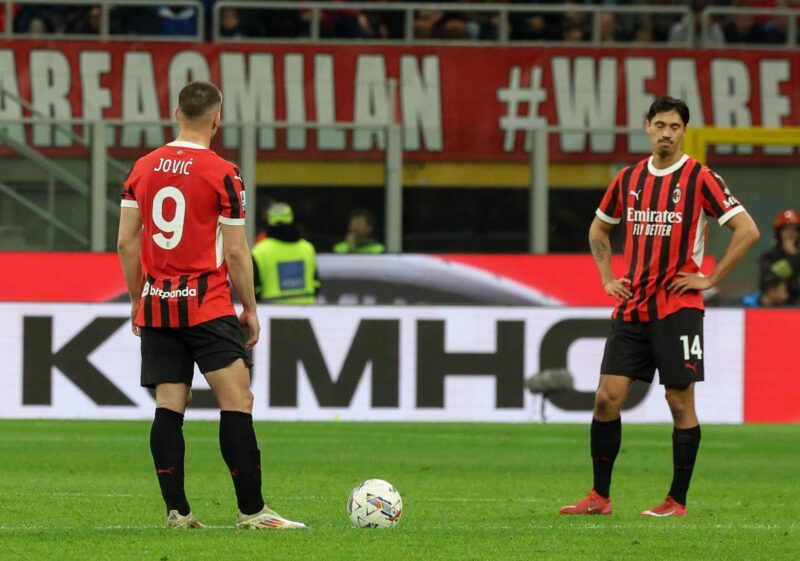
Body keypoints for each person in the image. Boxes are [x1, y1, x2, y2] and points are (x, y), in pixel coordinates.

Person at [117, 80, 306, 530]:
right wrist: (251, 308)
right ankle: (253, 512)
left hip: (159, 304)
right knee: (237, 401)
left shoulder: (142, 167)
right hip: (207, 305)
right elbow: (238, 252)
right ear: (217, 119)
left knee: (168, 405)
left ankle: (178, 513)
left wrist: (137, 299)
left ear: (176, 113)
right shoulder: (223, 171)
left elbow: (126, 242)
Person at [560, 96, 760, 518]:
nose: (667, 133)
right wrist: (607, 278)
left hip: (679, 308)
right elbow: (600, 226)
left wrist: (710, 278)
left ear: (683, 131)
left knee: (679, 401)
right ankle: (600, 497)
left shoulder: (701, 178)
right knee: (605, 399)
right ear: (647, 126)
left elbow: (747, 230)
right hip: (633, 308)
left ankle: (677, 500)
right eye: (661, 125)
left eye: (675, 126)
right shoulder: (629, 178)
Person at [251, 202, 320, 304]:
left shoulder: (259, 251)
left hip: (271, 313)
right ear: (292, 219)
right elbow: (316, 284)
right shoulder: (307, 248)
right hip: (306, 311)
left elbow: (253, 289)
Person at [758, 209, 800, 305]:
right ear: (779, 234)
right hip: (777, 308)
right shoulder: (768, 258)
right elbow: (768, 281)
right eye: (787, 229)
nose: (791, 233)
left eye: (795, 230)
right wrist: (791, 257)